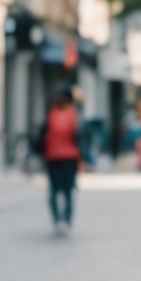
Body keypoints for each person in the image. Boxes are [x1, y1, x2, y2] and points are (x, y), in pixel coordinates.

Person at [41, 88, 83, 233]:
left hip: (52, 156)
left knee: (53, 188)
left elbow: (43, 135)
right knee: (68, 189)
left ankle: (56, 219)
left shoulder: (51, 114)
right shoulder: (72, 114)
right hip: (70, 156)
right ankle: (67, 220)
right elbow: (77, 136)